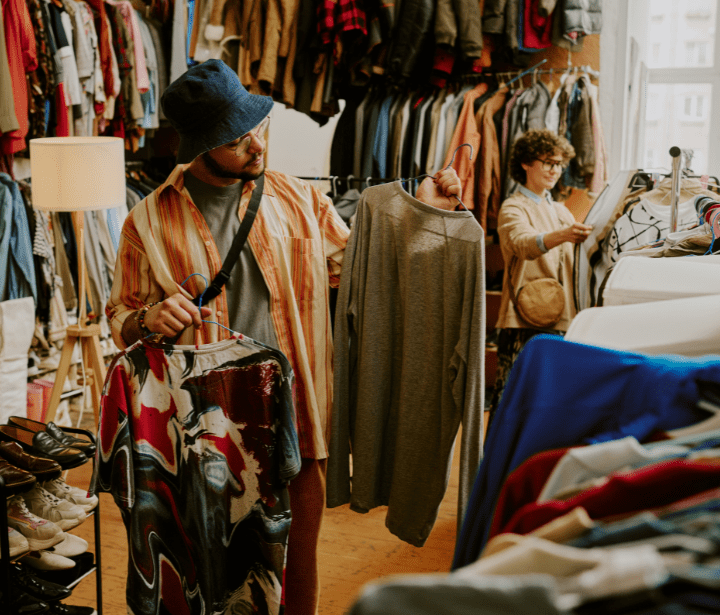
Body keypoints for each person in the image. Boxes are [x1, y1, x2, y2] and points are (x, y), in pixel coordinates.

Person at [105, 59, 462, 615]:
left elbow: (367, 272)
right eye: (236, 140)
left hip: (297, 413)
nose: (256, 145)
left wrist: (425, 214)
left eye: (256, 128)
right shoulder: (148, 221)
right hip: (207, 427)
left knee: (297, 560)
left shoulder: (300, 200)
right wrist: (148, 317)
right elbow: (120, 316)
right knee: (211, 562)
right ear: (202, 147)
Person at [490, 129, 593, 423]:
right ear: (525, 163)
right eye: (547, 162)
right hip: (525, 318)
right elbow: (522, 244)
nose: (554, 170)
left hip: (561, 317)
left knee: (546, 404)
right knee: (512, 401)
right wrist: (563, 235)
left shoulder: (560, 210)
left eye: (559, 164)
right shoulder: (514, 206)